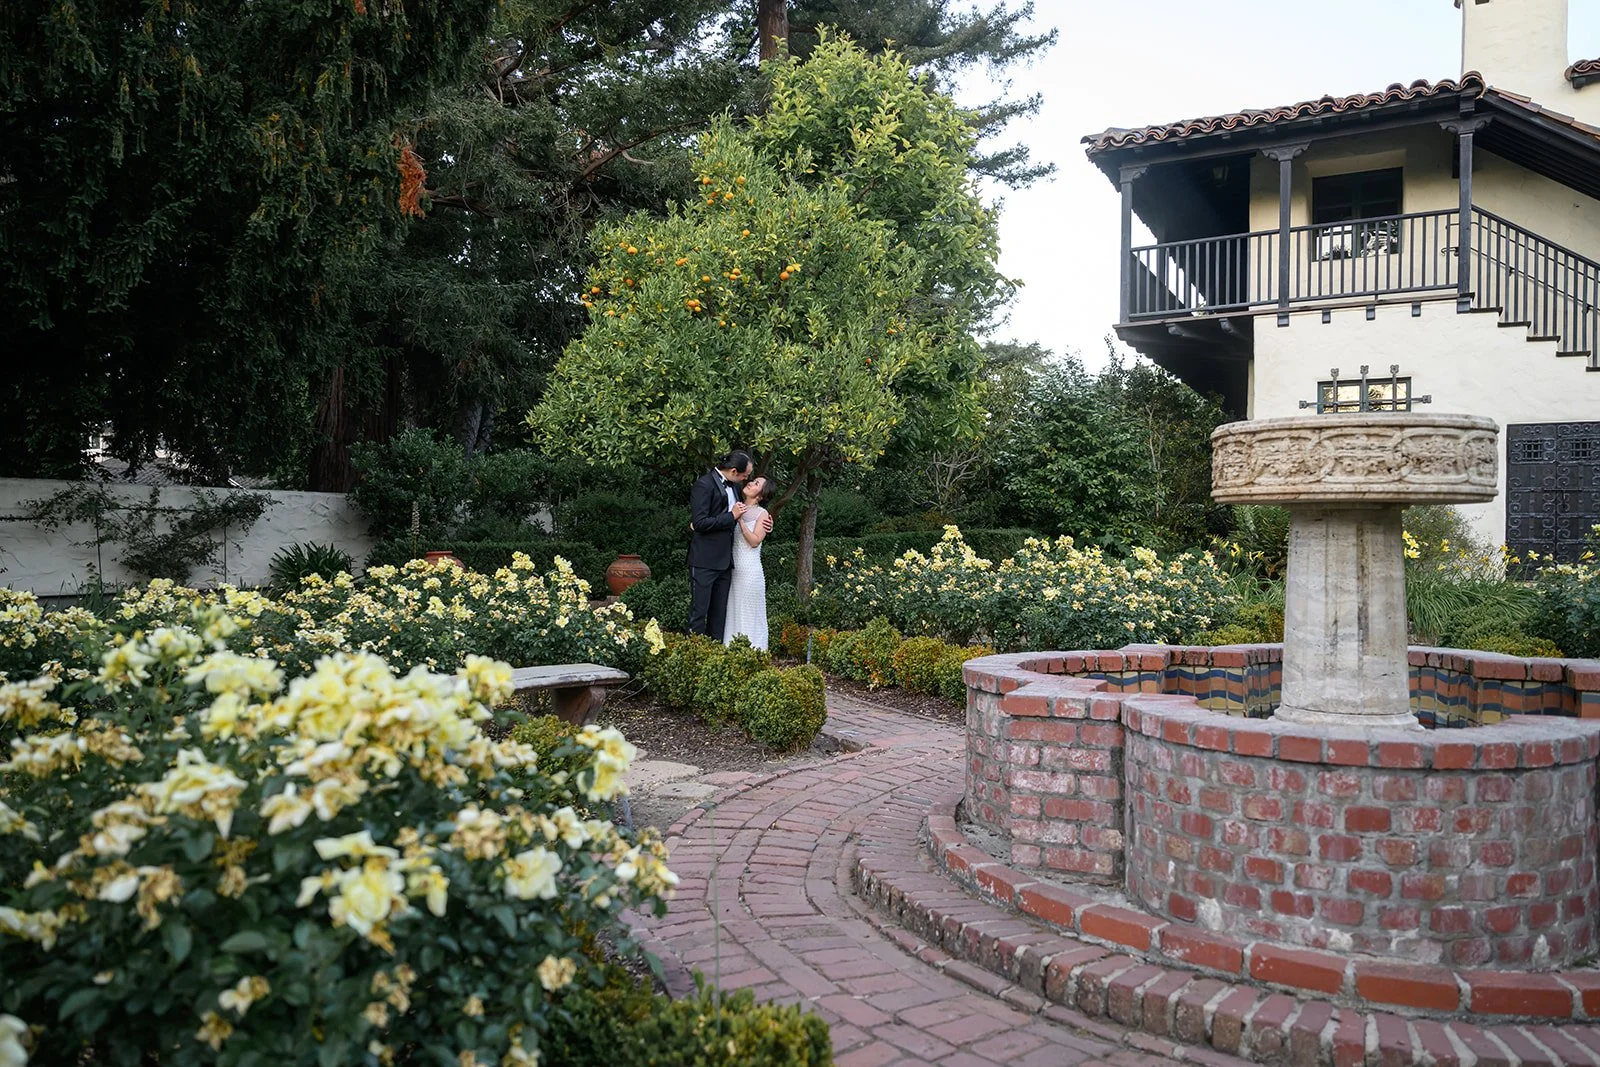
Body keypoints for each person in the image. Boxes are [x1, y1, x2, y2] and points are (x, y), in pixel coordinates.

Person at [686, 450, 769, 639]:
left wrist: (766, 522)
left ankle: (715, 654)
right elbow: (699, 523)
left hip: (726, 563)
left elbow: (752, 510)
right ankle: (692, 655)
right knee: (699, 613)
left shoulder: (735, 489)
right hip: (705, 561)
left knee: (720, 616)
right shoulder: (704, 485)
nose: (747, 479)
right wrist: (731, 516)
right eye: (746, 475)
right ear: (733, 471)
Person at [722, 475, 775, 650]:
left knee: (750, 614)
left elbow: (754, 541)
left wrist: (741, 521)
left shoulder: (762, 514)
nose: (751, 483)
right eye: (753, 480)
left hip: (750, 571)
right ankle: (732, 652)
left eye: (757, 483)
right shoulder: (735, 503)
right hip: (733, 570)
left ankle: (754, 652)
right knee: (734, 612)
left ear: (761, 495)